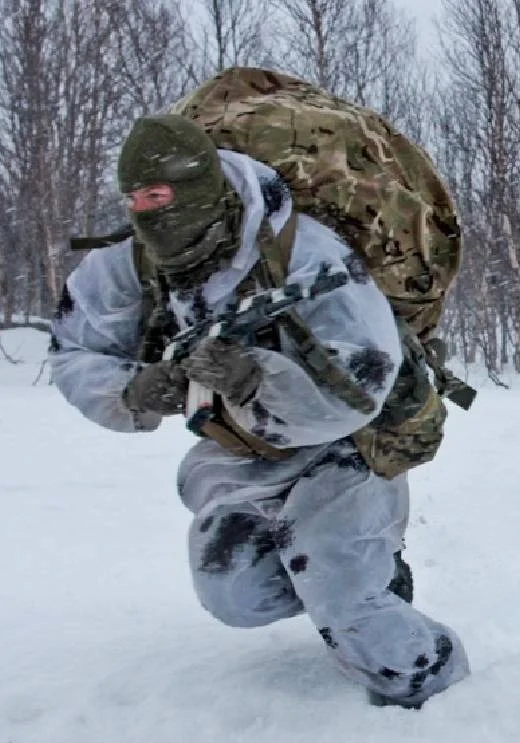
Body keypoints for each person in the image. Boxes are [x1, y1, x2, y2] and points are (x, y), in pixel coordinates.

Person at [49, 115, 468, 708]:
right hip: (242, 452)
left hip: (349, 444)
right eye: (135, 200)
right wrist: (133, 390)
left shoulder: (307, 253)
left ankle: (440, 693)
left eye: (159, 196)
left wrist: (255, 377)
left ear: (197, 187)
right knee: (234, 592)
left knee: (349, 601)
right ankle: (350, 583)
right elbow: (73, 347)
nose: (147, 213)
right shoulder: (132, 261)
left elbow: (364, 384)